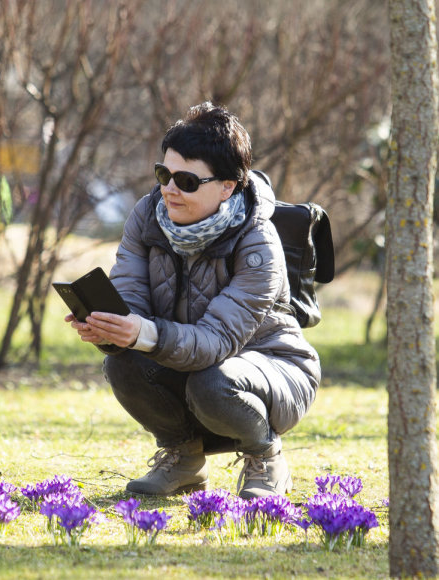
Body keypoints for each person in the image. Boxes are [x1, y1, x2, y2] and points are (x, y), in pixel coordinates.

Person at [67, 102, 320, 499]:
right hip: (195, 363)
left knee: (212, 381)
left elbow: (214, 343)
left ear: (227, 187)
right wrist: (108, 329)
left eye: (187, 181)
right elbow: (131, 300)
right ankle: (182, 458)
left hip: (273, 368)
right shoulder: (147, 216)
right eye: (164, 174)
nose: (169, 189)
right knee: (121, 364)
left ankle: (266, 456)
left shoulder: (259, 245)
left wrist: (142, 332)